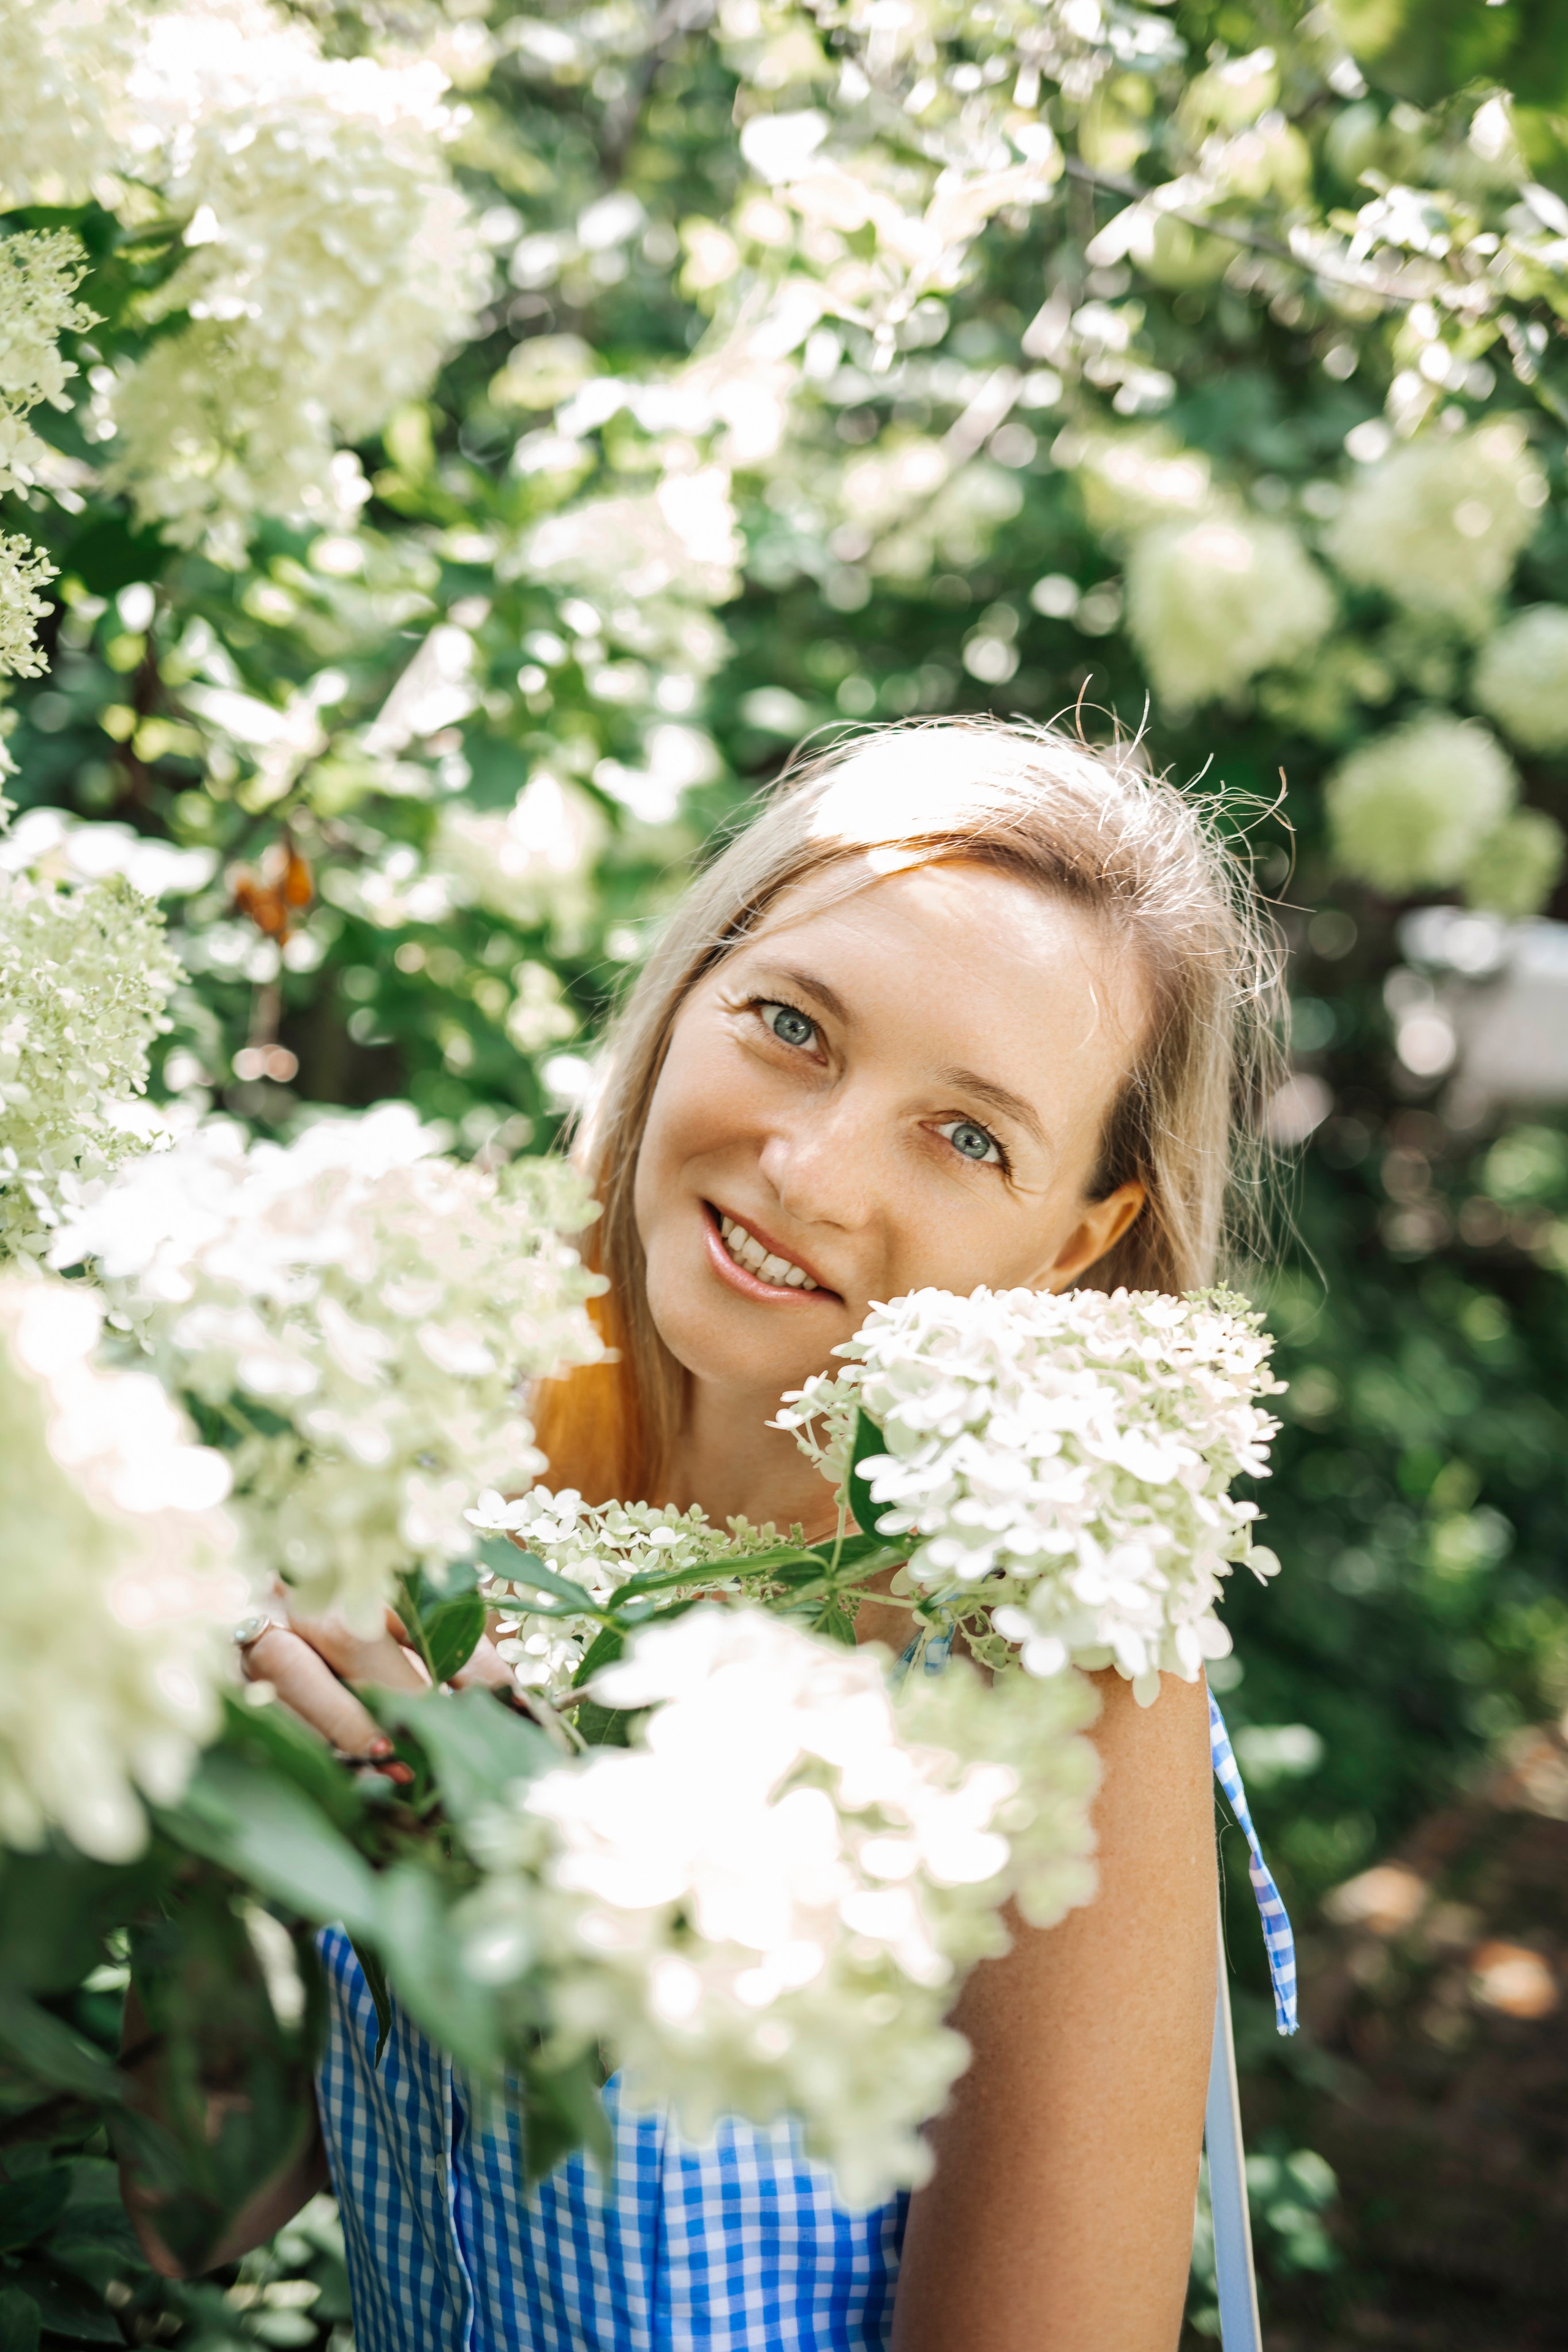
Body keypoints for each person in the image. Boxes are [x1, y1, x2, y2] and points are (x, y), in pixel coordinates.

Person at [158, 717, 1283, 2351]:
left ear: (1079, 1238)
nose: (810, 1170)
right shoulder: (428, 1457)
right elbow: (181, 2214)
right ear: (687, 994)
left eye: (969, 1135)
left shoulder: (1044, 1669)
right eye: (792, 1025)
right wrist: (302, 1850)